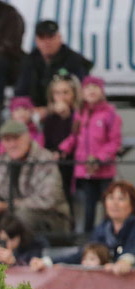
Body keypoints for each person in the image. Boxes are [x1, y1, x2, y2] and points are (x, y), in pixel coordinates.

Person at [0, 119, 71, 238]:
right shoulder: (0, 161)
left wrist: (6, 206)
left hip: (51, 218)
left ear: (28, 137)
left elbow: (47, 201)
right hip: (8, 216)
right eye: (7, 140)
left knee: (20, 216)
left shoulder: (44, 159)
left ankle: (22, 256)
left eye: (16, 138)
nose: (12, 144)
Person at [58, 75, 122, 233]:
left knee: (109, 207)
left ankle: (109, 236)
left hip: (104, 171)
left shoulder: (110, 114)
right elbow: (75, 136)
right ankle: (87, 239)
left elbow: (114, 142)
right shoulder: (80, 113)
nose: (91, 91)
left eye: (95, 87)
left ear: (102, 91)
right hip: (85, 171)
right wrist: (63, 148)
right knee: (88, 208)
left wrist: (99, 158)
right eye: (87, 88)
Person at [31, 180, 135, 274]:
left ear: (132, 204)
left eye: (121, 199)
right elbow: (83, 254)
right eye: (111, 198)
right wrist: (47, 261)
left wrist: (125, 261)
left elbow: (131, 249)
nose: (114, 203)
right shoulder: (103, 228)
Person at [14, 20, 91, 108]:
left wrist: (51, 109)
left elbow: (80, 92)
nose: (47, 42)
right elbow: (20, 92)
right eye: (42, 38)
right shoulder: (28, 61)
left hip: (66, 111)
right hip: (34, 112)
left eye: (50, 37)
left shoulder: (75, 60)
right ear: (36, 41)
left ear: (59, 38)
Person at [42, 72, 81, 202]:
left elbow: (75, 136)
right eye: (57, 93)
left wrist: (66, 116)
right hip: (52, 162)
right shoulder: (49, 116)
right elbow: (46, 139)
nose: (61, 97)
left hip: (71, 164)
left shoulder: (78, 115)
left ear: (74, 94)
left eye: (66, 92)